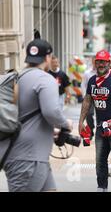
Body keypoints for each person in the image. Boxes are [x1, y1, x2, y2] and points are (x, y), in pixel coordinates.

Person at [1, 37, 72, 192]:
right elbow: (51, 111)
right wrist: (66, 124)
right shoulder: (45, 79)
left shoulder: (17, 77)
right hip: (28, 157)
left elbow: (22, 114)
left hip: (32, 156)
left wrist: (50, 131)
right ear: (47, 58)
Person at [78, 49, 111, 192]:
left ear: (109, 63)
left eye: (103, 61)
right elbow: (87, 101)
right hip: (101, 128)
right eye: (98, 61)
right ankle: (102, 188)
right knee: (100, 160)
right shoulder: (92, 81)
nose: (100, 64)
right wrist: (81, 121)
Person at [81, 56, 97, 138]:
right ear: (92, 61)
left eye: (96, 61)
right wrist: (85, 95)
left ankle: (100, 132)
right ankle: (90, 130)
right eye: (94, 61)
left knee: (100, 115)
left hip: (100, 97)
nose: (95, 63)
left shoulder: (102, 73)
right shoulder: (87, 73)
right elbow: (83, 84)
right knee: (89, 114)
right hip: (89, 97)